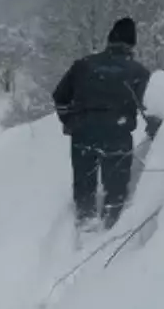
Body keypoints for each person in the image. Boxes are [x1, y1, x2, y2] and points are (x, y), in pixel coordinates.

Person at [52, 17, 152, 231]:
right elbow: (151, 107)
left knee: (84, 182)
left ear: (110, 40)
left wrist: (69, 120)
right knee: (116, 186)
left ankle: (85, 219)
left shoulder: (83, 65)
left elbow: (60, 96)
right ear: (132, 44)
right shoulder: (138, 72)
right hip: (117, 134)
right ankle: (111, 225)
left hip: (83, 132)